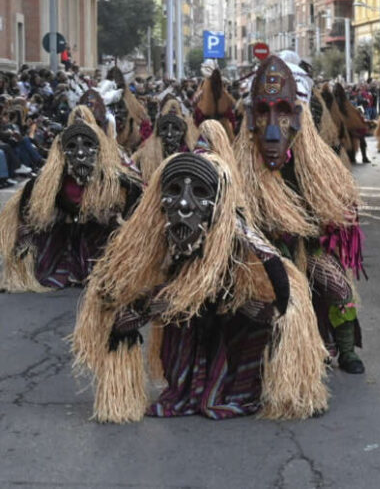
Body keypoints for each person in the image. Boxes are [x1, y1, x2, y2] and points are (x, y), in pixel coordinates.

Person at [71, 147, 329, 422]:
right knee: (142, 318)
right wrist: (123, 309)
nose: (184, 204)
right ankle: (172, 391)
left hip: (231, 307)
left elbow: (272, 265)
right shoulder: (154, 229)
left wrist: (275, 311)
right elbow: (113, 277)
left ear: (217, 201)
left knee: (250, 323)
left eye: (200, 192)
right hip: (189, 306)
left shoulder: (235, 229)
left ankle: (273, 388)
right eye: (174, 191)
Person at [234, 55, 366, 374]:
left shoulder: (317, 164)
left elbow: (341, 206)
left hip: (309, 247)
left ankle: (346, 349)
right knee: (264, 301)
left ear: (296, 117)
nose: (272, 129)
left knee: (339, 289)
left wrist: (316, 223)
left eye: (282, 112)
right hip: (262, 255)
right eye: (263, 112)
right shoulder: (240, 166)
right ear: (251, 118)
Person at [0, 108, 143, 291]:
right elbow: (27, 215)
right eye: (72, 147)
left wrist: (122, 227)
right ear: (62, 153)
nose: (81, 154)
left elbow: (135, 203)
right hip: (64, 236)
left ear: (99, 150)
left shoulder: (115, 181)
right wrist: (25, 246)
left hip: (97, 236)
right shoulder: (49, 183)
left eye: (88, 145)